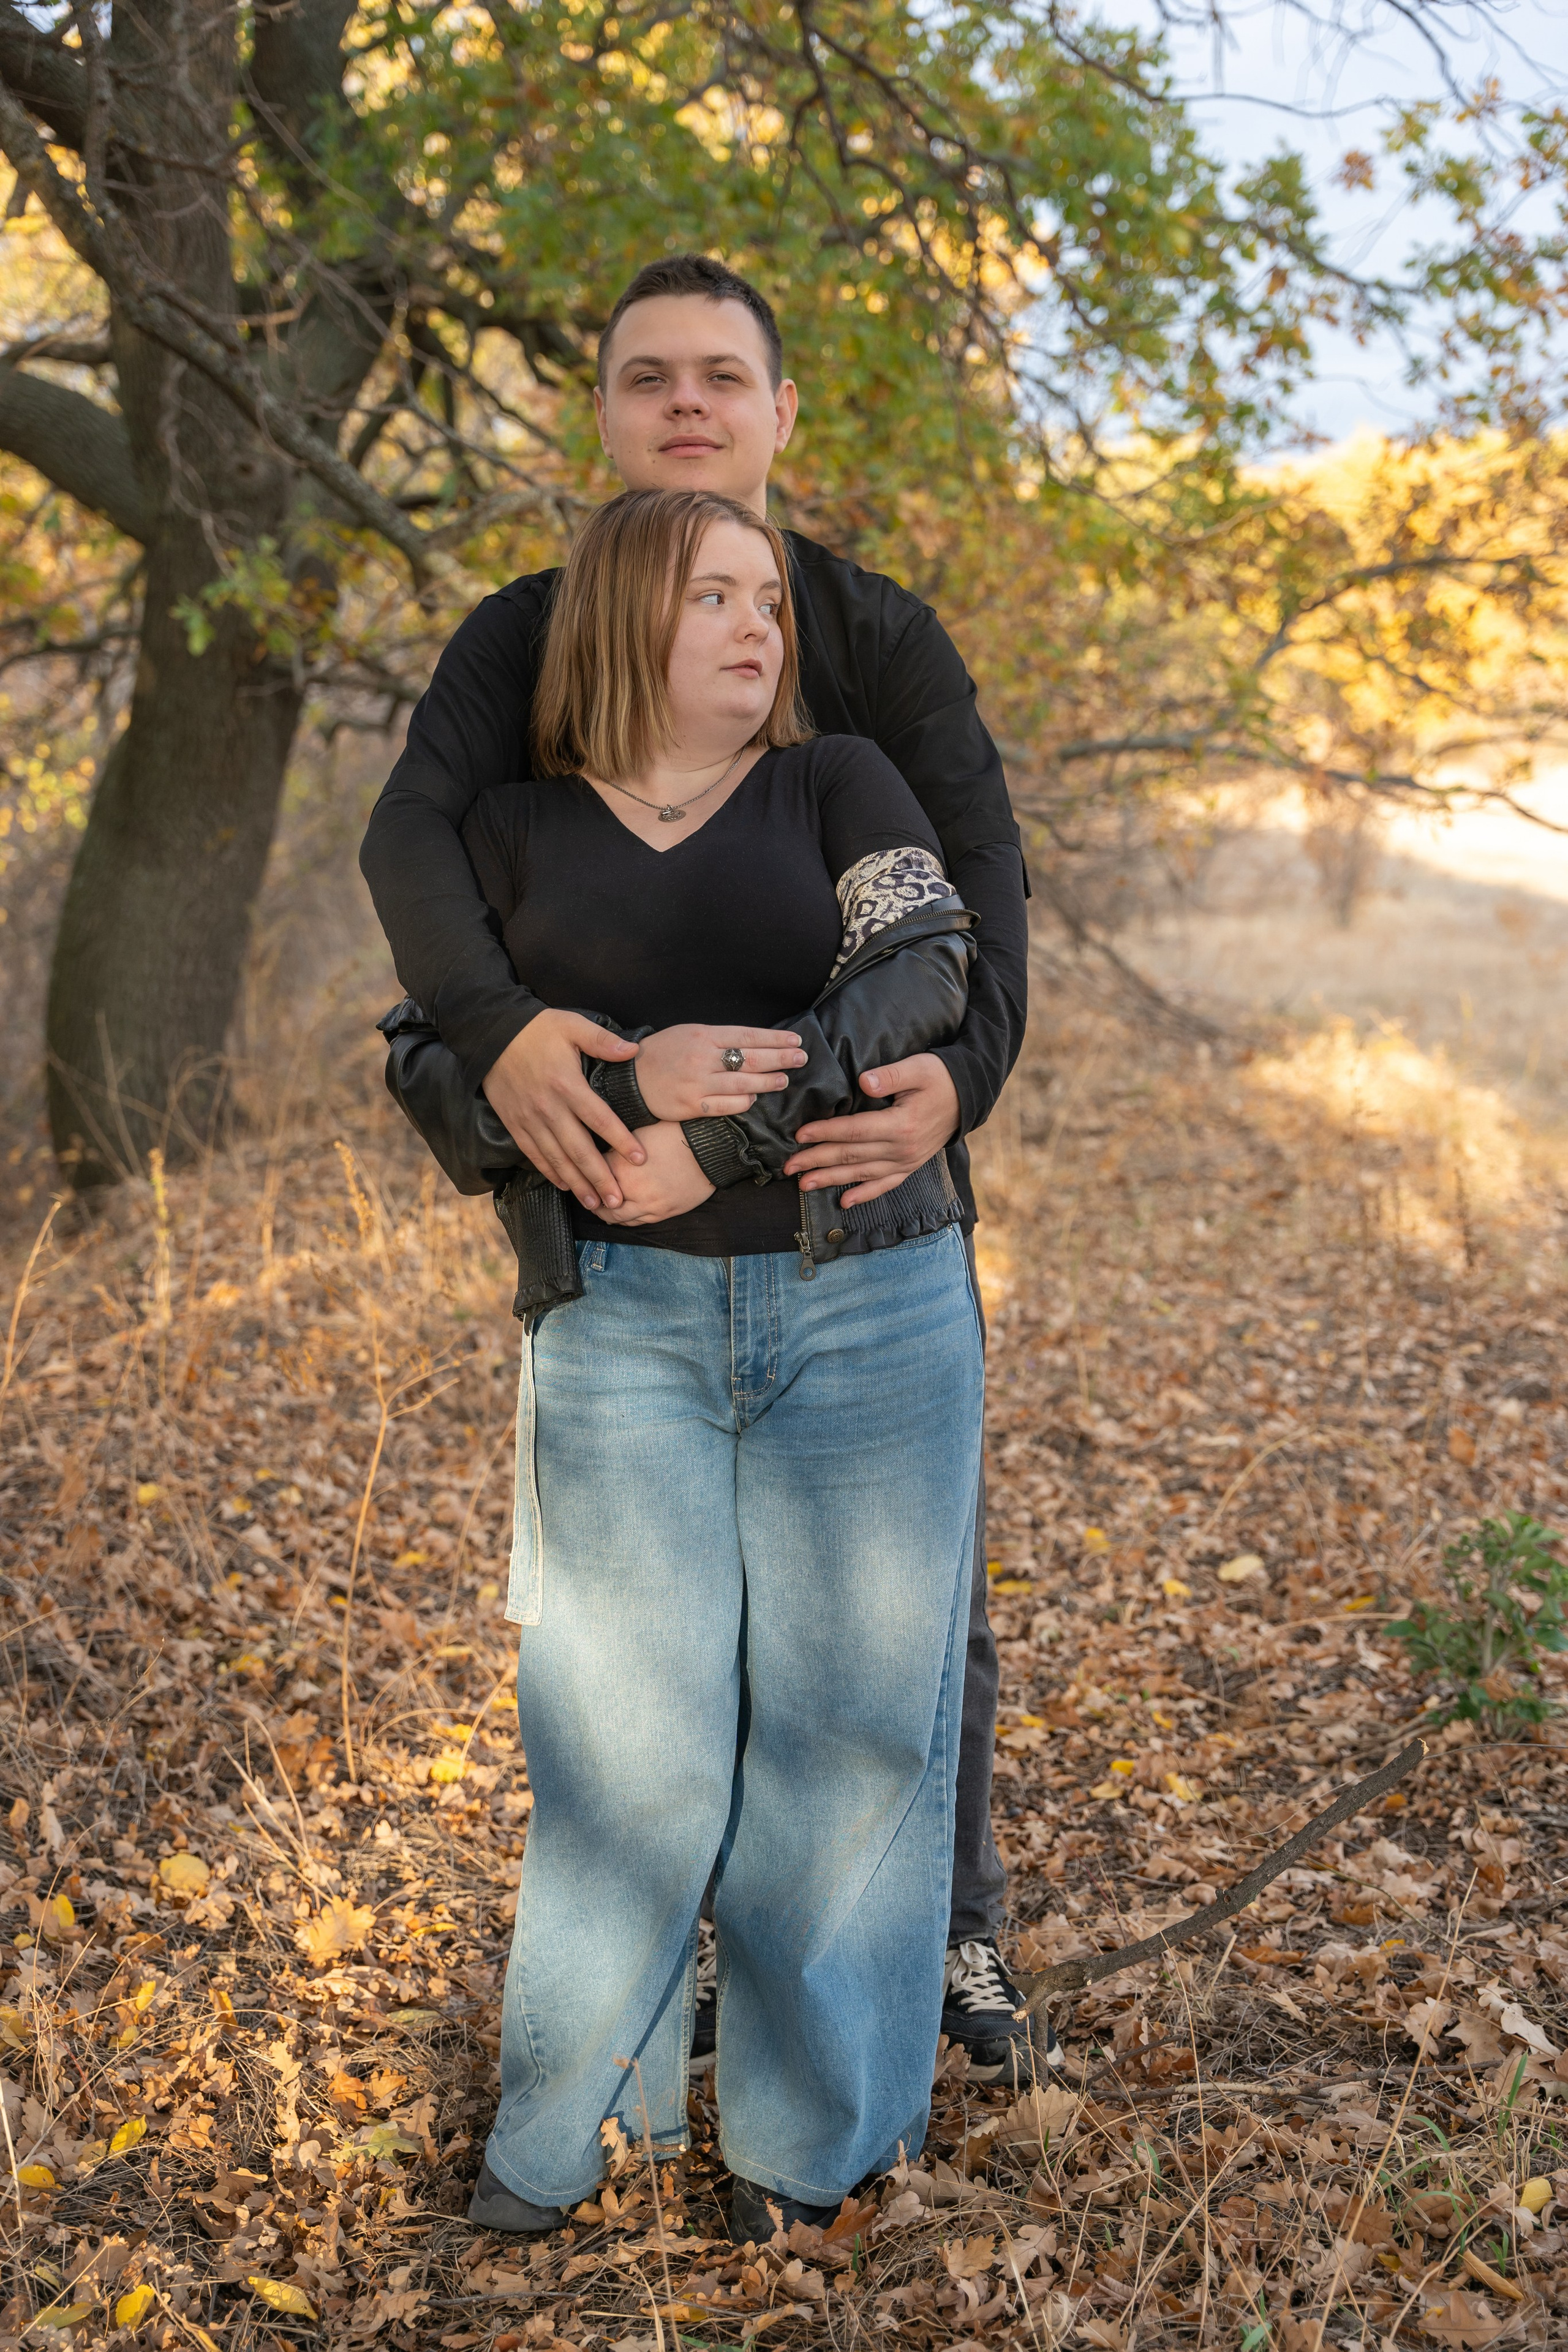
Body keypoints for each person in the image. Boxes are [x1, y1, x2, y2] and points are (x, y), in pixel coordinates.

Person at [361, 252, 1047, 2079]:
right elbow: (422, 845)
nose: (685, 404)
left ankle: (950, 1938)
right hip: (622, 1246)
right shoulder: (536, 639)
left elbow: (978, 898)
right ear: (602, 413)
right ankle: (658, 2005)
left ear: (779, 414)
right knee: (642, 1657)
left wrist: (959, 1085)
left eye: (721, 379)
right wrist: (502, 1038)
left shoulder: (873, 637)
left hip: (862, 1199)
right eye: (646, 375)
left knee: (901, 1624)